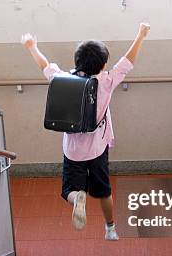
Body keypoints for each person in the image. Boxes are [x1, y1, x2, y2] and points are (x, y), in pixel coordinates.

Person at [21, 23, 150, 240]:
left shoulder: (61, 79)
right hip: (98, 149)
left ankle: (77, 197)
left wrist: (32, 46)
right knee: (104, 190)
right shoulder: (107, 81)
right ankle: (110, 229)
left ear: (76, 61)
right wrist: (140, 35)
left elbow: (44, 66)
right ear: (103, 64)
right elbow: (127, 62)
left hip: (72, 151)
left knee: (69, 190)